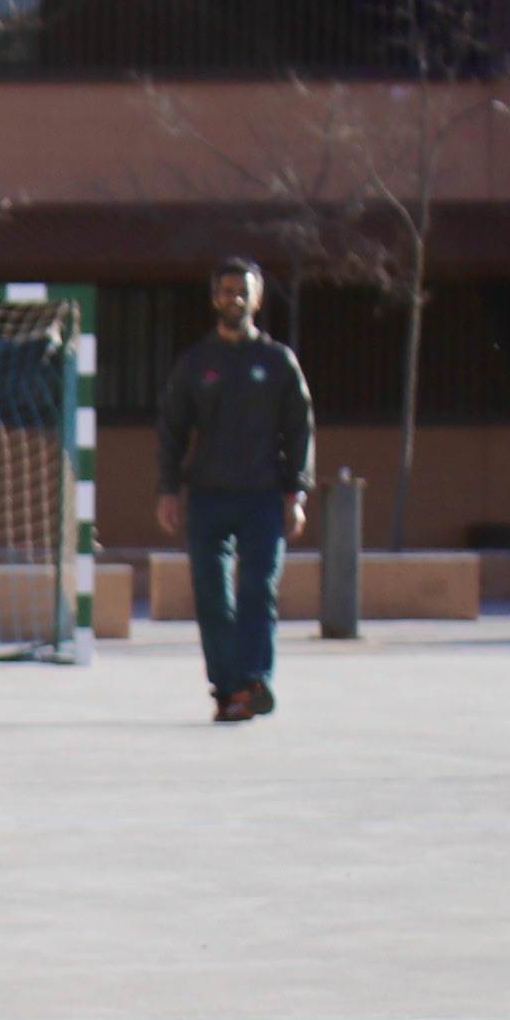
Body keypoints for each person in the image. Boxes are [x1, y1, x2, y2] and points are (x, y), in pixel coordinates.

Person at [154, 256, 315, 724]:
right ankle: (227, 688)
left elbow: (300, 429)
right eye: (226, 291)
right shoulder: (195, 363)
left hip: (263, 497)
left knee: (258, 588)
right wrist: (168, 491)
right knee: (211, 594)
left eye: (242, 291)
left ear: (257, 298)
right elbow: (172, 430)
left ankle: (254, 680)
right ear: (214, 298)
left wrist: (296, 494)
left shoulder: (277, 362)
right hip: (207, 497)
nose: (234, 298)